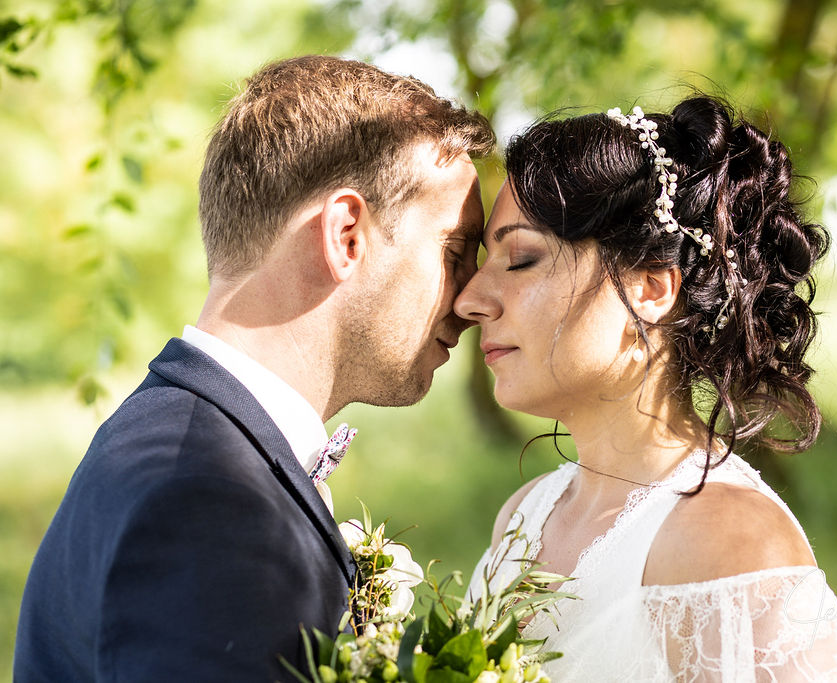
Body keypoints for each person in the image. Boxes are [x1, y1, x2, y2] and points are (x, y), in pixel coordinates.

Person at [15, 56, 493, 680]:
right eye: (455, 252)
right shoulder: (204, 499)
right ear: (347, 235)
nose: (472, 300)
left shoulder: (183, 443)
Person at [458, 97, 837, 680]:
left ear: (651, 287)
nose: (471, 300)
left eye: (521, 259)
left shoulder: (730, 539)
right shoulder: (522, 519)